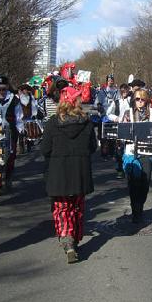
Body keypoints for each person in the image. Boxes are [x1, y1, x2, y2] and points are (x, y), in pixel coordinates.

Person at [41, 86, 97, 263]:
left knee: (62, 208)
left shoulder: (52, 122)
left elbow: (45, 149)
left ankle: (67, 239)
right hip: (79, 171)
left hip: (59, 172)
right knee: (77, 207)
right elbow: (92, 147)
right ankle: (75, 238)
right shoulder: (87, 122)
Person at [121, 89, 152, 223]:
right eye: (137, 99)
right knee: (133, 183)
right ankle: (136, 211)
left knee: (145, 183)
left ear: (146, 100)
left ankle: (140, 205)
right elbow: (122, 131)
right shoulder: (128, 113)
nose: (140, 102)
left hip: (146, 151)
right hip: (131, 151)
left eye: (142, 99)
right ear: (133, 100)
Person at [0, 76, 24, 193]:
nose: (1, 91)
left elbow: (19, 118)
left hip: (10, 132)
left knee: (10, 157)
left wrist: (19, 132)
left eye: (4, 89)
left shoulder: (14, 100)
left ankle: (8, 177)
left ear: (7, 87)